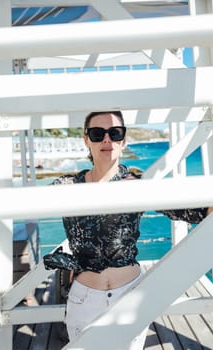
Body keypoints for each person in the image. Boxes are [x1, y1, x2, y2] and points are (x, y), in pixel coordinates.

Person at [43, 111, 213, 348]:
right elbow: (29, 203)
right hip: (84, 300)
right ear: (86, 140)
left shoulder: (137, 185)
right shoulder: (67, 186)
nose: (106, 140)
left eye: (115, 133)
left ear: (123, 140)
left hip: (130, 298)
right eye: (97, 133)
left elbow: (186, 208)